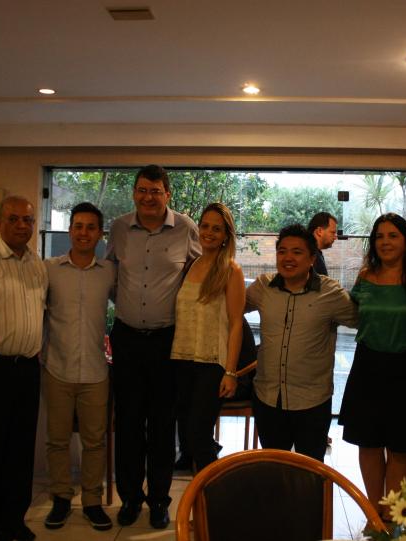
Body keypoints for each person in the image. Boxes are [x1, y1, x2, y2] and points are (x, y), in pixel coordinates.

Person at [106, 165, 201, 529]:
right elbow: (111, 276)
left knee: (162, 425)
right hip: (127, 338)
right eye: (142, 190)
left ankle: (159, 500)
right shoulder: (119, 227)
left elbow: (199, 275)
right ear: (134, 193)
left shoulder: (186, 228)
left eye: (156, 191)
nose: (148, 197)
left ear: (167, 194)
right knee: (128, 423)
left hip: (167, 341)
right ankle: (130, 498)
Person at [0, 196, 47, 541]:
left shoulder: (37, 264)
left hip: (28, 370)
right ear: (0, 222)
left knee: (20, 449)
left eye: (27, 220)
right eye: (13, 219)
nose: (21, 225)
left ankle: (14, 518)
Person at [338, 213, 406, 520]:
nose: (385, 242)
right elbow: (353, 316)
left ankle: (391, 513)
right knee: (369, 443)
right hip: (368, 366)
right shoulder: (366, 275)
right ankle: (374, 512)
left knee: (401, 446)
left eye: (392, 235)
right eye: (379, 236)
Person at [246, 224, 357, 462]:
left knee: (311, 472)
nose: (288, 258)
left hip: (312, 402)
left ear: (312, 258)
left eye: (297, 252)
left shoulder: (331, 293)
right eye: (282, 251)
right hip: (268, 398)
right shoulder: (262, 287)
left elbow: (363, 321)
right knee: (274, 468)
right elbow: (231, 310)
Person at [42, 202, 115, 531]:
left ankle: (92, 501)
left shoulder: (109, 272)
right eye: (78, 226)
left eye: (91, 227)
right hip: (57, 368)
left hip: (96, 372)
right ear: (70, 230)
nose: (84, 233)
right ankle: (60, 498)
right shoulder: (50, 269)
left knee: (95, 442)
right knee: (57, 440)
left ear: (100, 234)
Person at [171, 202, 245, 471]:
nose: (209, 233)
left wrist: (231, 372)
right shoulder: (191, 265)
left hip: (212, 364)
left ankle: (214, 493)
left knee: (199, 436)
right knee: (187, 439)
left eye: (217, 228)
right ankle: (198, 495)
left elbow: (236, 324)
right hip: (182, 360)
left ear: (226, 235)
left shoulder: (231, 270)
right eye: (205, 226)